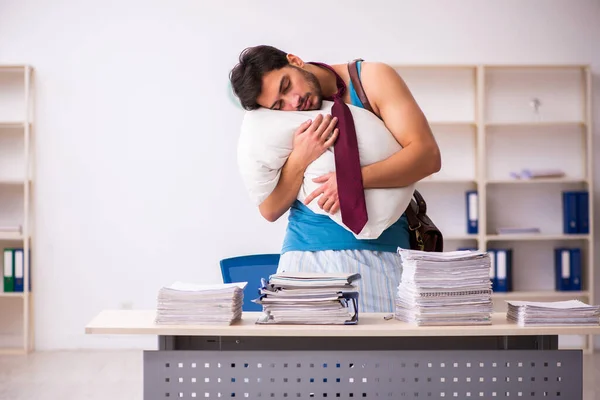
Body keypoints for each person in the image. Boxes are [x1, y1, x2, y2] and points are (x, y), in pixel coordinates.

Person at [229, 45, 441, 313]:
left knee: (387, 352)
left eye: (287, 86)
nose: (293, 103)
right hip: (303, 256)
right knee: (305, 355)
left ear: (295, 60)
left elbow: (428, 157)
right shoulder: (277, 123)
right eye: (279, 105)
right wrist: (300, 158)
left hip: (383, 250)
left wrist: (353, 180)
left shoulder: (372, 80)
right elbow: (270, 210)